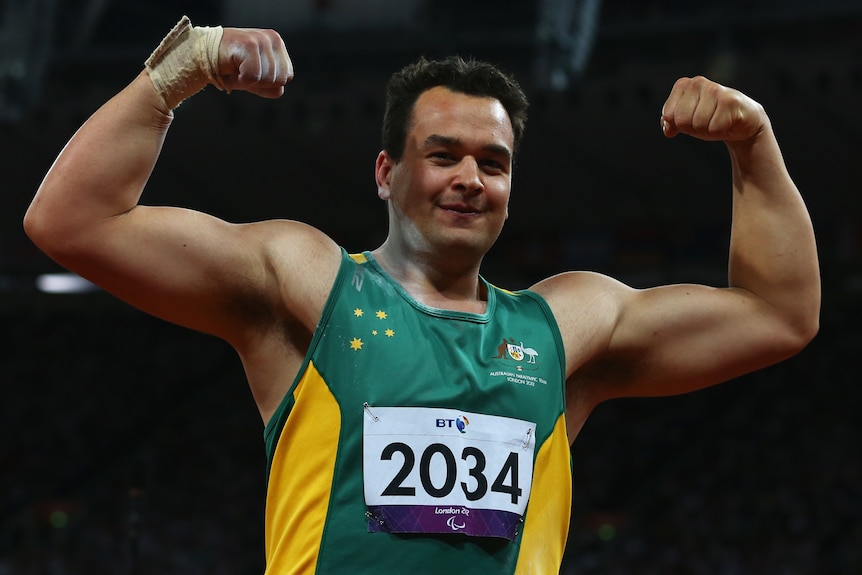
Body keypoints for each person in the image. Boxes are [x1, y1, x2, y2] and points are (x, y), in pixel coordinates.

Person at [24, 14, 820, 575]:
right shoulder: (310, 284)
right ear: (387, 172)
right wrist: (184, 67)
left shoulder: (566, 325)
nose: (470, 178)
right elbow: (71, 221)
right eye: (443, 155)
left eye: (493, 163)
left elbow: (779, 314)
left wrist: (753, 143)